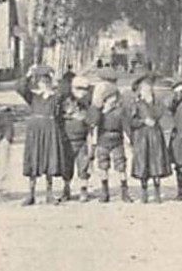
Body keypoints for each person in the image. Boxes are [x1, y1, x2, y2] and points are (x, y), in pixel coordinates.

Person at [19, 67, 65, 206]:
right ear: (37, 84)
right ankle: (31, 194)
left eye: (46, 82)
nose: (44, 84)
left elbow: (63, 91)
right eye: (41, 82)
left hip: (50, 130)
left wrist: (55, 76)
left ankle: (49, 194)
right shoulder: (33, 97)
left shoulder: (55, 97)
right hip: (35, 132)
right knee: (33, 160)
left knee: (50, 160)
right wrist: (28, 74)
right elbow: (20, 88)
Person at [126, 71, 171, 203]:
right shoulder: (136, 104)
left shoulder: (157, 103)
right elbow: (131, 122)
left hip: (155, 136)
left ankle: (157, 193)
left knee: (156, 163)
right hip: (142, 137)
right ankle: (144, 193)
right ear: (140, 91)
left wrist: (152, 105)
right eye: (145, 89)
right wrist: (142, 122)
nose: (148, 91)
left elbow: (160, 114)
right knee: (143, 164)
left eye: (150, 88)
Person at [89, 83, 132, 203]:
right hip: (103, 140)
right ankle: (104, 191)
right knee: (103, 165)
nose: (112, 100)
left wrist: (130, 139)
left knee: (121, 165)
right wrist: (100, 111)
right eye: (110, 97)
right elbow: (93, 123)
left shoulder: (120, 111)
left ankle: (124, 191)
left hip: (117, 139)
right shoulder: (98, 111)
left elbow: (126, 126)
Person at [58, 75, 93, 203]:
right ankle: (66, 189)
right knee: (66, 166)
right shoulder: (65, 102)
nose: (81, 92)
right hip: (67, 139)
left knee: (83, 166)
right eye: (78, 89)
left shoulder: (88, 104)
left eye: (84, 89)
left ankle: (83, 189)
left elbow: (92, 121)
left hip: (82, 139)